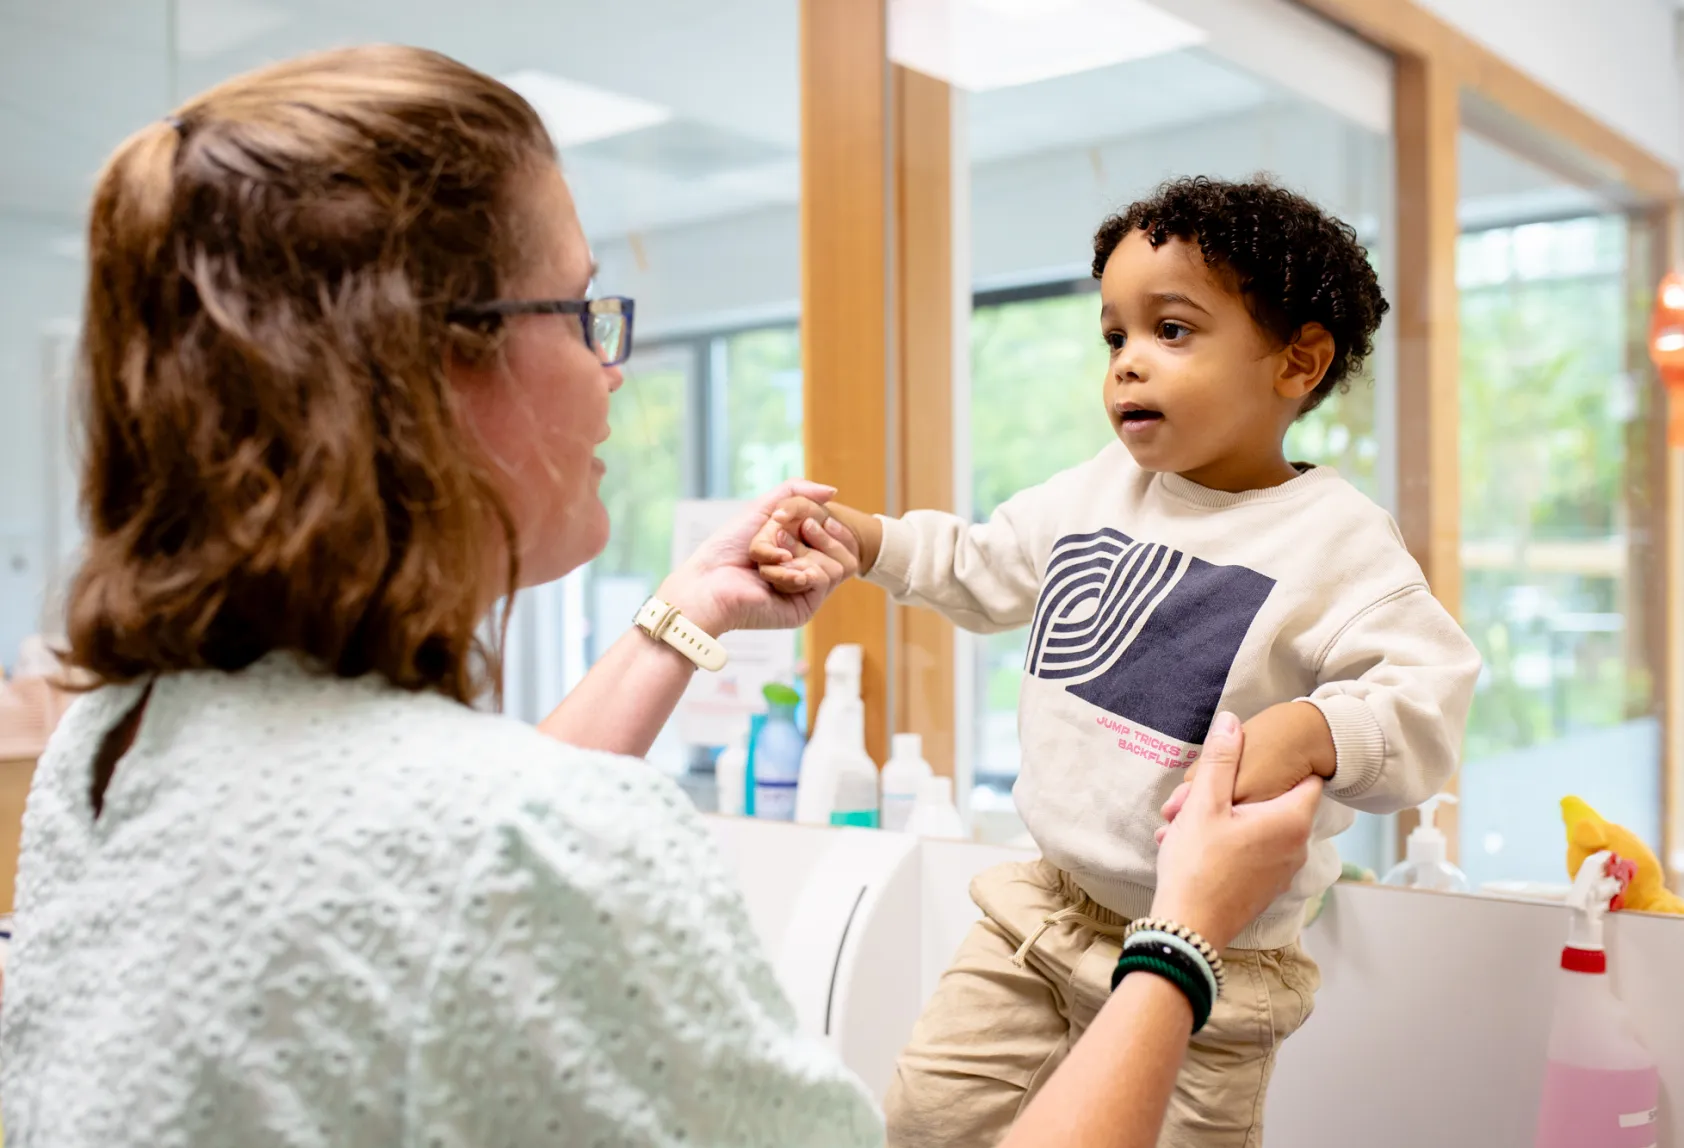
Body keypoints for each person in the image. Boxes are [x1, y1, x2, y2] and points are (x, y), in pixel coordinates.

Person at [0, 47, 1323, 1148]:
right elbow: (494, 851)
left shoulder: (116, 750)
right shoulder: (544, 846)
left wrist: (684, 617)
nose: (610, 369)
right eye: (583, 312)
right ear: (430, 371)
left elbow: (419, 856)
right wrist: (1181, 936)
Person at [752, 177, 1484, 1147]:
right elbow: (982, 563)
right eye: (1114, 336)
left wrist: (1310, 730)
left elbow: (1425, 701)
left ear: (1297, 361)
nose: (1127, 364)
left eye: (1170, 330)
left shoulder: (1335, 541)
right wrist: (866, 538)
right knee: (929, 1117)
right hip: (1041, 913)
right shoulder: (1102, 488)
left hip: (1216, 954)